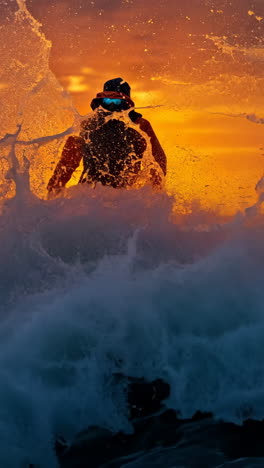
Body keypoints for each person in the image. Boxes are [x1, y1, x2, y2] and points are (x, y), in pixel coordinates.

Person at [47, 78, 167, 195]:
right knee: (73, 141)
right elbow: (67, 163)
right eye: (108, 101)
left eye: (117, 102)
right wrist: (54, 191)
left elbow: (159, 161)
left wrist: (155, 194)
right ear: (100, 102)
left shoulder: (139, 127)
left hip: (125, 195)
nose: (112, 106)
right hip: (88, 195)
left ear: (126, 104)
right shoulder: (89, 125)